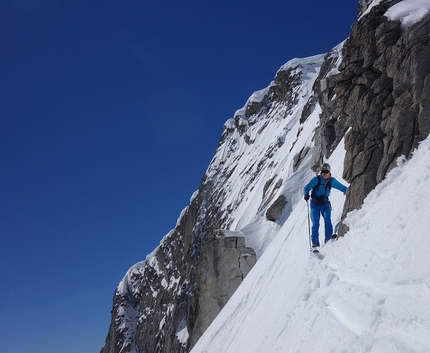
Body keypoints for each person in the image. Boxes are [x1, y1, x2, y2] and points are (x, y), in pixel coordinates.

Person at [303, 163, 347, 248]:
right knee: (315, 223)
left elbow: (341, 187)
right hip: (314, 203)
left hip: (325, 202)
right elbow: (306, 188)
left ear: (329, 172)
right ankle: (315, 245)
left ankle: (328, 239)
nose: (325, 174)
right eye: (323, 172)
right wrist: (306, 194)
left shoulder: (331, 181)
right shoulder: (316, 180)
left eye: (326, 172)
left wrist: (348, 190)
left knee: (327, 218)